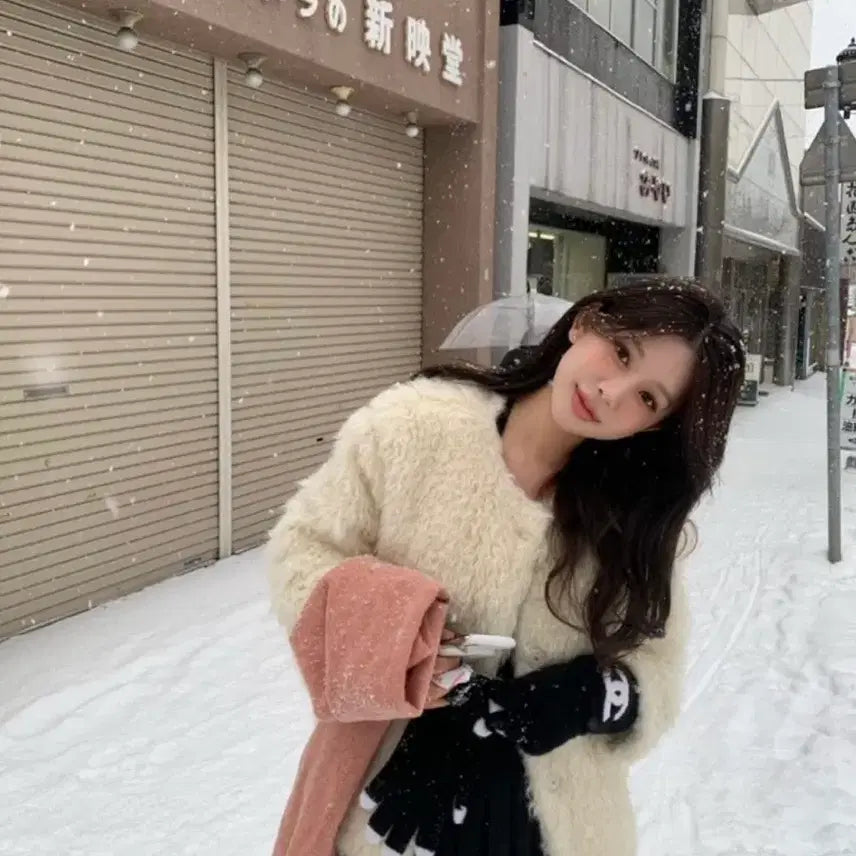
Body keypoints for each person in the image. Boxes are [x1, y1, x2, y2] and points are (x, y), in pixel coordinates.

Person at [266, 278, 745, 856]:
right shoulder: (415, 428)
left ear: (655, 426)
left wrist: (587, 696)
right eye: (621, 353)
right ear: (585, 323)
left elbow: (657, 672)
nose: (610, 391)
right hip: (382, 809)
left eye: (648, 398)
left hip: (558, 829)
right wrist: (401, 642)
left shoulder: (631, 518)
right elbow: (302, 551)